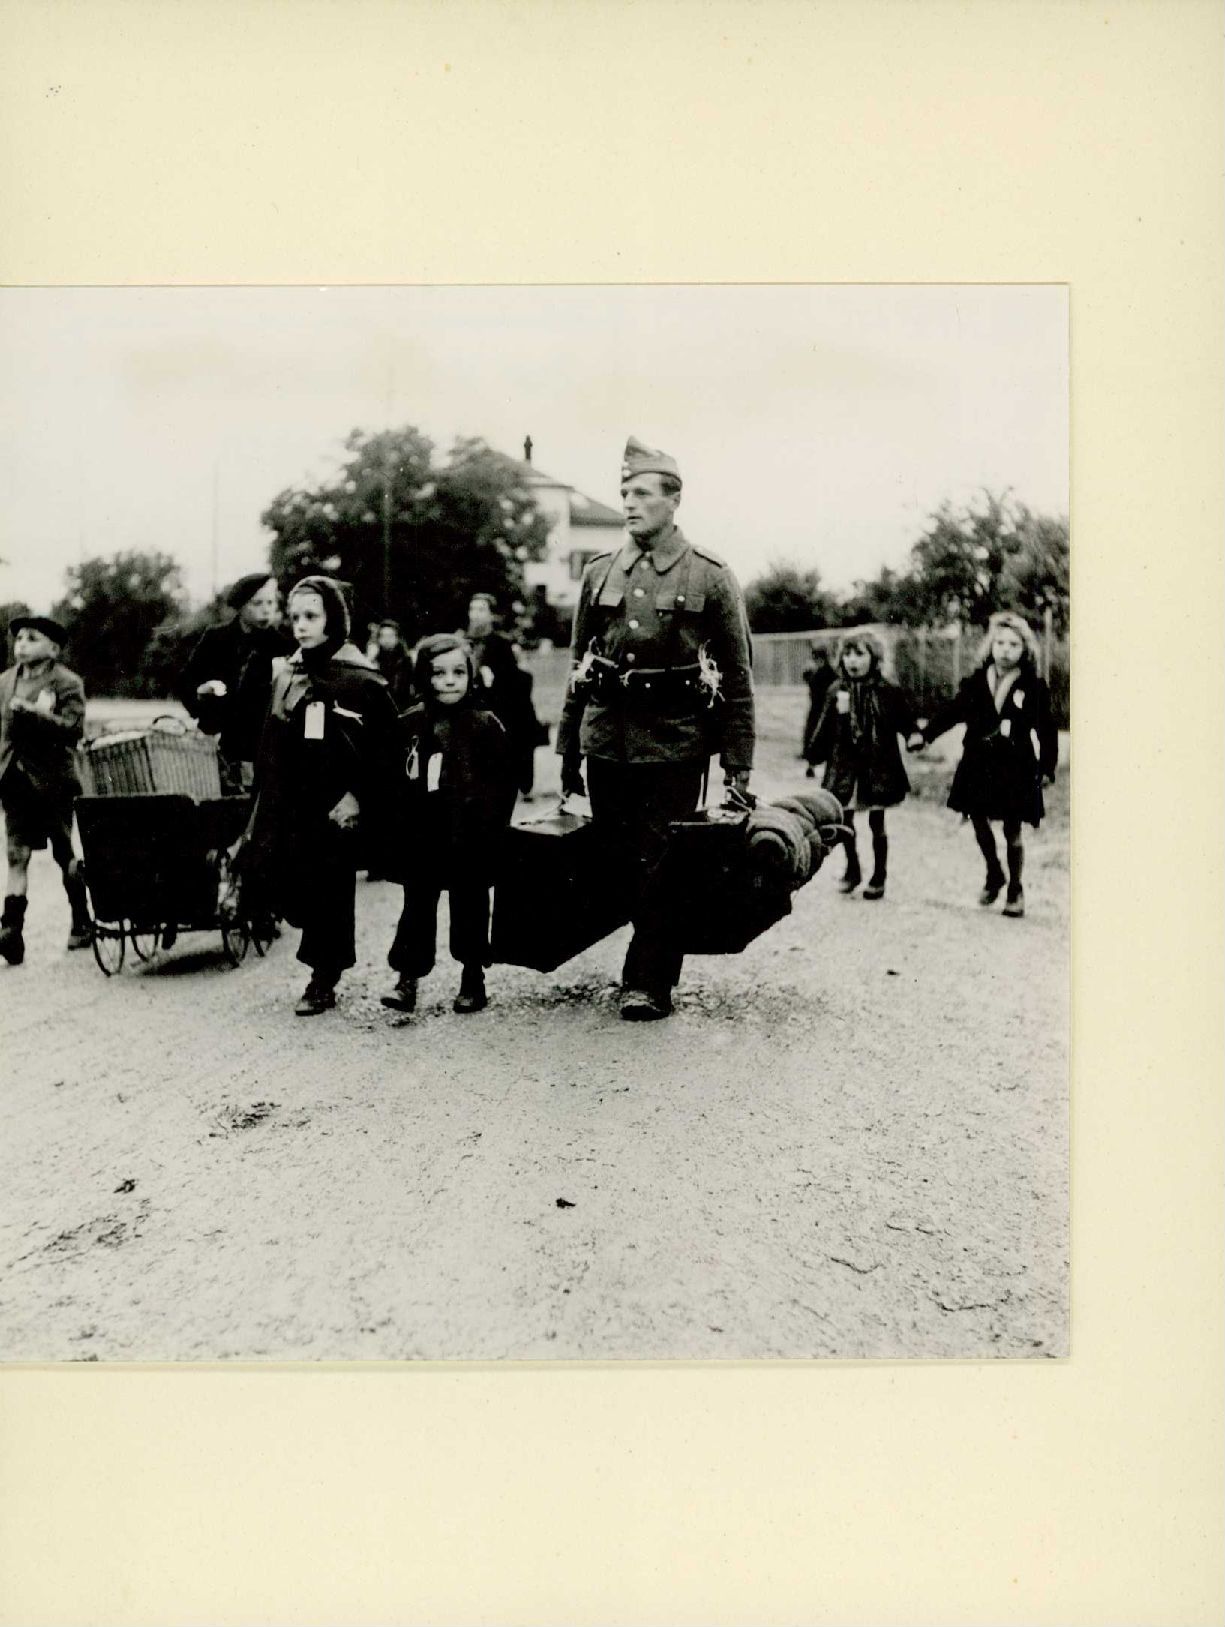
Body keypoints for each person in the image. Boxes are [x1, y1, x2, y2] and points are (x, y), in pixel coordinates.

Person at [557, 435, 756, 1021]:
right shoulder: (598, 572)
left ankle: (648, 979)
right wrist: (568, 748)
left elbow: (737, 677)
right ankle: (644, 957)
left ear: (674, 500)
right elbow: (578, 665)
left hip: (675, 742)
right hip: (607, 740)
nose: (629, 503)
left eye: (642, 493)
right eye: (625, 493)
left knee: (664, 862)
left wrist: (737, 765)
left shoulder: (711, 575)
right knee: (619, 860)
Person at [241, 576, 402, 1015]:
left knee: (330, 890)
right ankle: (319, 958)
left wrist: (357, 796)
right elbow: (271, 740)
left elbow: (388, 749)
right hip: (292, 802)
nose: (300, 625)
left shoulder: (361, 679)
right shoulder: (287, 673)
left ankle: (323, 977)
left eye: (311, 616)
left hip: (335, 808)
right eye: (294, 616)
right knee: (289, 885)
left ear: (333, 618)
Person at [381, 633, 516, 1017]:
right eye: (439, 674)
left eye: (459, 672)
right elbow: (394, 779)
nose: (450, 681)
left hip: (470, 834)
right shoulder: (411, 722)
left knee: (470, 904)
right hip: (423, 833)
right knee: (417, 906)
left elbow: (503, 783)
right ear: (424, 676)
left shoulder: (485, 723)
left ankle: (473, 976)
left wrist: (491, 826)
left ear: (471, 674)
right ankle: (407, 978)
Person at [911, 610, 1058, 919]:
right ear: (990, 646)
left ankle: (1015, 888)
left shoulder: (1032, 686)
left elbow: (1047, 729)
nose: (1005, 650)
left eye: (1013, 645)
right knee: (977, 817)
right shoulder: (976, 682)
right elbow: (952, 712)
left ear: (1025, 650)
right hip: (978, 763)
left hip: (1015, 766)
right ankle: (994, 872)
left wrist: (1047, 767)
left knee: (1012, 828)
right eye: (1000, 643)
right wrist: (925, 735)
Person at [0, 615, 91, 962]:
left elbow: (74, 729)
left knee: (63, 852)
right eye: (19, 637)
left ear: (53, 649)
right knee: (16, 854)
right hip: (15, 780)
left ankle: (81, 920)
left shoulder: (67, 683)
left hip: (53, 783)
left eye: (31, 638)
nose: (22, 644)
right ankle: (11, 932)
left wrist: (35, 714)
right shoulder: (5, 682)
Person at [805, 631, 917, 900]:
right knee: (845, 819)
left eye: (860, 654)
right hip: (844, 768)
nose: (853, 660)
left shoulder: (887, 690)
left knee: (877, 820)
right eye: (847, 654)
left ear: (874, 658)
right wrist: (814, 754)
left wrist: (913, 735)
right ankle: (853, 868)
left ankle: (879, 875)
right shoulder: (836, 691)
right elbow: (823, 726)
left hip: (877, 768)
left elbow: (905, 720)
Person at [177, 572, 289, 792]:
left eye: (270, 602)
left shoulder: (282, 645)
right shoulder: (216, 638)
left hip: (262, 750)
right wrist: (200, 693)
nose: (266, 610)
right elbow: (184, 682)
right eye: (258, 603)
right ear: (241, 606)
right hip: (217, 748)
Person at [464, 592, 543, 797]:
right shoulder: (465, 643)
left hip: (499, 706)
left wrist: (492, 678)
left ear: (491, 615)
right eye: (472, 609)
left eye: (481, 609)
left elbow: (514, 680)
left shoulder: (500, 643)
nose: (475, 614)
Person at [800, 643, 835, 771]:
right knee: (815, 736)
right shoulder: (827, 672)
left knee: (816, 736)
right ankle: (812, 764)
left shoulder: (822, 673)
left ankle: (812, 764)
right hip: (819, 708)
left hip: (821, 709)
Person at [370, 619, 415, 711]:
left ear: (397, 638)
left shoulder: (405, 660)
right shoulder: (376, 659)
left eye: (390, 636)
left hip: (401, 706)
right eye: (383, 636)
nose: (386, 640)